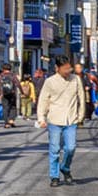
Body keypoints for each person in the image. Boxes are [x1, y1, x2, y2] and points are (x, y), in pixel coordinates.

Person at [36, 55, 85, 186]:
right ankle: (54, 176)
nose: (68, 71)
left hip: (71, 119)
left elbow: (81, 98)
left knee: (71, 148)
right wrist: (41, 118)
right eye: (65, 69)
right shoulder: (50, 82)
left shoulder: (76, 80)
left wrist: (81, 116)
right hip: (54, 119)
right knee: (55, 149)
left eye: (69, 68)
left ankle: (65, 168)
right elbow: (43, 100)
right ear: (57, 68)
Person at [0, 64, 18, 129]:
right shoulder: (13, 75)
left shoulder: (1, 76)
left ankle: (6, 123)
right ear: (10, 69)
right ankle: (11, 120)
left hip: (4, 94)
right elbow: (18, 84)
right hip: (12, 93)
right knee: (13, 107)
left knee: (5, 108)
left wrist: (0, 93)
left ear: (3, 69)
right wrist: (22, 92)